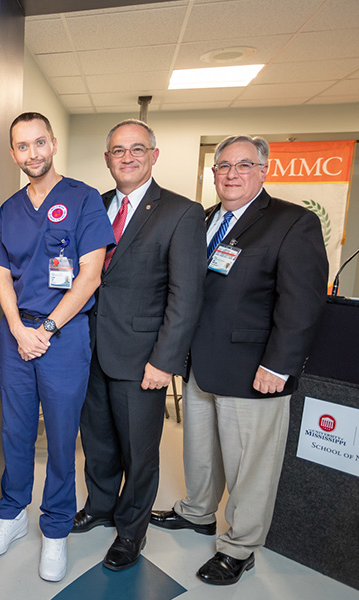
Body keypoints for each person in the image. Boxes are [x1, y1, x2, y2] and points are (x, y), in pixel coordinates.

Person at [150, 135, 328, 585]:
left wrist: (279, 365)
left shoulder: (292, 222)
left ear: (264, 170)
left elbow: (301, 303)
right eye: (223, 166)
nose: (231, 173)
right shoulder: (206, 219)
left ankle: (240, 545)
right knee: (200, 453)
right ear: (213, 174)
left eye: (244, 165)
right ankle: (197, 512)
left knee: (252, 465)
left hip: (255, 369)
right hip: (201, 364)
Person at [0, 112, 113, 582]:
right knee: (15, 432)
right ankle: (13, 514)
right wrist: (17, 328)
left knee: (59, 438)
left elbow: (90, 275)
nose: (31, 153)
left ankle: (55, 529)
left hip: (64, 334)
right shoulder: (10, 208)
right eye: (21, 146)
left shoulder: (84, 199)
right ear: (12, 152)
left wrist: (48, 330)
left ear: (53, 144)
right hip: (18, 333)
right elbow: (1, 272)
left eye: (39, 143)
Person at [72, 120, 206, 570]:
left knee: (140, 451)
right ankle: (101, 506)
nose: (126, 157)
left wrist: (164, 361)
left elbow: (185, 296)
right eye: (117, 150)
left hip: (142, 358)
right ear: (107, 157)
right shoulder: (95, 205)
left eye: (136, 149)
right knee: (98, 441)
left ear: (153, 155)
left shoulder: (181, 213)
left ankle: (131, 531)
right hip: (90, 348)